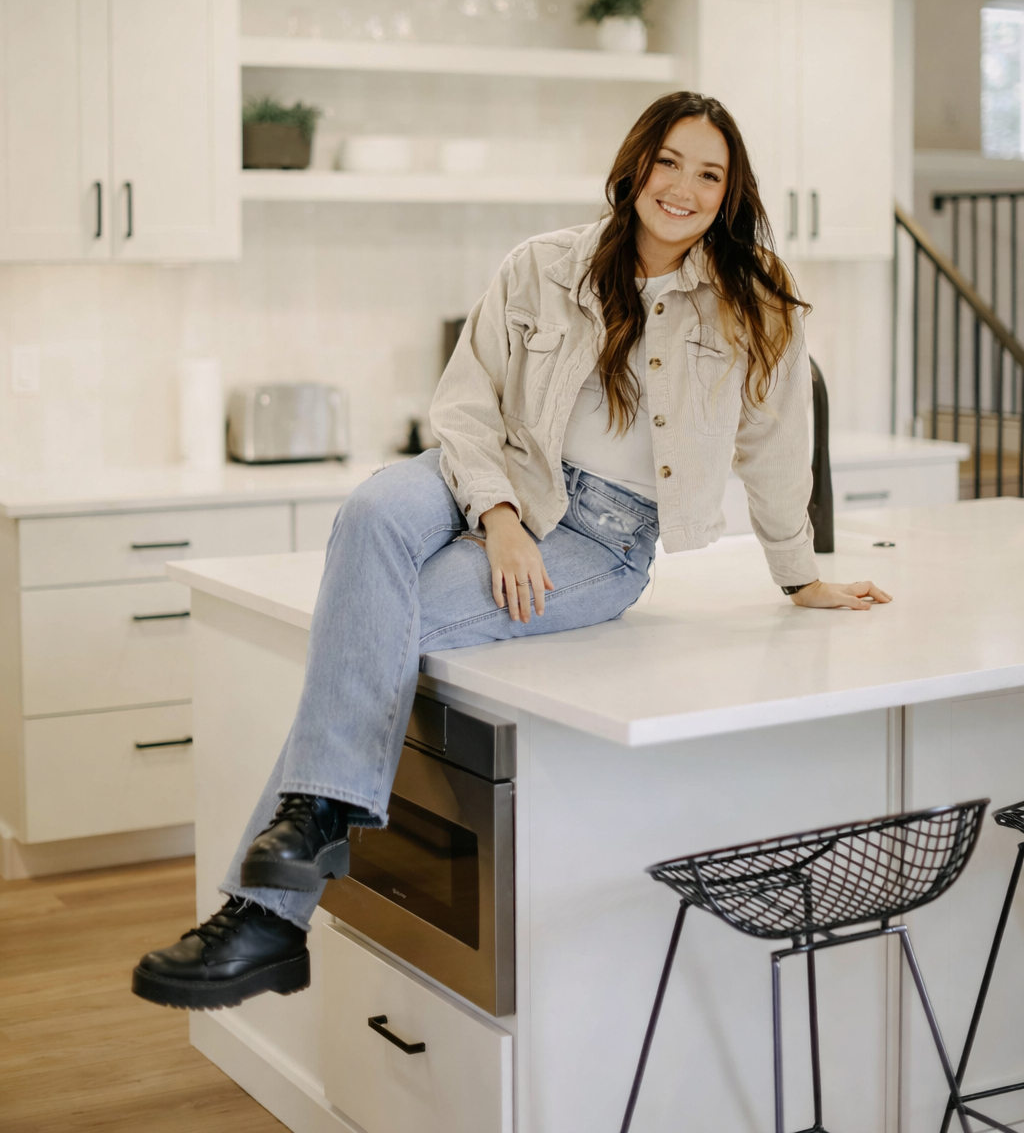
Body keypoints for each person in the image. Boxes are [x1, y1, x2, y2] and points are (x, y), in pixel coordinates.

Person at [131, 90, 891, 1011]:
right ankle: (309, 833)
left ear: (730, 195)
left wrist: (801, 575)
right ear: (635, 165)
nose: (683, 187)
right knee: (373, 508)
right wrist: (496, 517)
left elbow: (777, 448)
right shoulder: (544, 266)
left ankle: (269, 914)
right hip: (485, 471)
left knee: (379, 620)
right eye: (669, 162)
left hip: (598, 536)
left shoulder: (753, 301)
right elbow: (463, 401)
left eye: (710, 173)